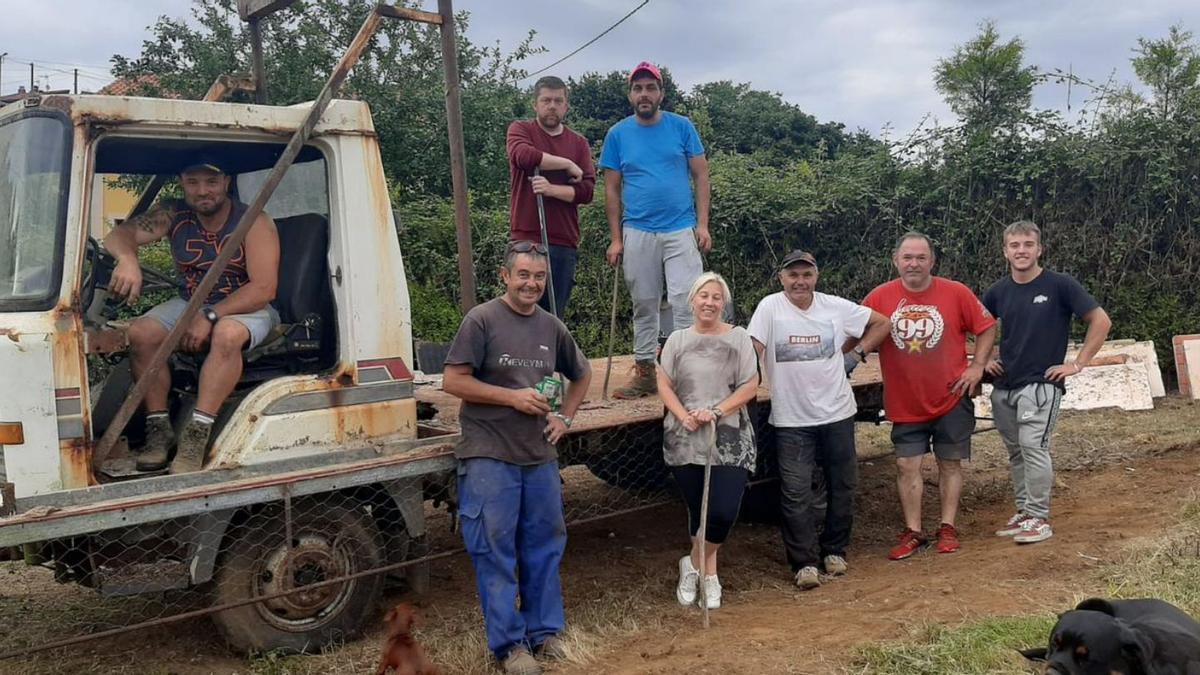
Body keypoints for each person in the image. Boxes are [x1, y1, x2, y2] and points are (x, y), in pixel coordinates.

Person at [442, 241, 593, 675]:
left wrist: (564, 417)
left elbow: (581, 374)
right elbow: (453, 380)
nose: (532, 283)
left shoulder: (551, 326)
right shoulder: (482, 320)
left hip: (539, 454)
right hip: (489, 451)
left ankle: (545, 633)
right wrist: (510, 397)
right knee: (494, 549)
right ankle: (510, 646)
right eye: (523, 275)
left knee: (544, 546)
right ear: (505, 276)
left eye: (540, 277)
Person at [103, 156, 280, 474]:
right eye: (193, 182)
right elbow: (120, 235)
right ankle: (159, 430)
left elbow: (264, 289)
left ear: (225, 183)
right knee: (142, 332)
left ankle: (196, 435)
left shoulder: (254, 221)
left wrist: (210, 315)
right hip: (191, 302)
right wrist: (127, 260)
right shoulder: (173, 213)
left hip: (245, 306)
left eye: (211, 182)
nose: (203, 191)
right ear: (182, 183)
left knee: (227, 334)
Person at [747, 250, 891, 589]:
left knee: (842, 485)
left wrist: (855, 355)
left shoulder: (834, 307)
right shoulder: (770, 308)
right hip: (791, 418)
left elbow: (881, 322)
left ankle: (835, 550)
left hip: (838, 412)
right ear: (782, 278)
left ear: (816, 276)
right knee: (796, 492)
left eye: (806, 275)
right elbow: (752, 346)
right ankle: (805, 564)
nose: (800, 281)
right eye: (793, 275)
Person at [862, 232, 996, 560]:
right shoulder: (878, 298)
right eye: (907, 257)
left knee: (949, 463)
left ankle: (947, 527)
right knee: (907, 465)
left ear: (932, 261)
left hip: (952, 395)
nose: (914, 264)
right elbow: (853, 330)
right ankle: (913, 531)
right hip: (905, 400)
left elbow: (987, 327)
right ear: (896, 260)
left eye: (921, 257)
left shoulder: (956, 292)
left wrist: (977, 366)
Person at [983, 221, 1111, 544]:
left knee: (1033, 447)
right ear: (1005, 251)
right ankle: (1024, 512)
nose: (1021, 251)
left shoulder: (1059, 285)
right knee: (1016, 453)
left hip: (1041, 384)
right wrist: (983, 361)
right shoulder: (997, 291)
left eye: (1028, 244)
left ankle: (1039, 518)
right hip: (1004, 386)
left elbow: (1101, 320)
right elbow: (978, 328)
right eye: (1015, 245)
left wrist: (1078, 364)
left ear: (1039, 249)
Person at [599, 61, 711, 398]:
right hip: (638, 230)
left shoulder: (682, 127)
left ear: (661, 93)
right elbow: (611, 190)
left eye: (650, 88)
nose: (644, 94)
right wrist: (616, 239)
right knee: (644, 302)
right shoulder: (618, 134)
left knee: (684, 300)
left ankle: (683, 373)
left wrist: (702, 224)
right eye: (638, 88)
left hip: (680, 228)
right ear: (631, 95)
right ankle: (646, 371)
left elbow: (701, 176)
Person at [657, 272, 759, 610]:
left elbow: (749, 385)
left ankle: (693, 564)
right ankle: (709, 576)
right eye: (704, 296)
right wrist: (683, 414)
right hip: (684, 435)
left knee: (722, 510)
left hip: (728, 436)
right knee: (696, 508)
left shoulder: (739, 338)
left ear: (723, 303)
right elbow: (664, 384)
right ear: (692, 301)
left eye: (716, 297)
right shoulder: (676, 340)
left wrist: (717, 411)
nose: (709, 302)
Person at [506, 75, 596, 318]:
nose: (552, 106)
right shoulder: (520, 129)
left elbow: (587, 191)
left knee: (553, 316)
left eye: (558, 101)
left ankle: (549, 357)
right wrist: (566, 164)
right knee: (520, 311)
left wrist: (551, 189)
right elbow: (523, 156)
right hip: (526, 240)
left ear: (566, 106)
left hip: (564, 242)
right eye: (546, 100)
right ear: (535, 104)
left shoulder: (579, 143)